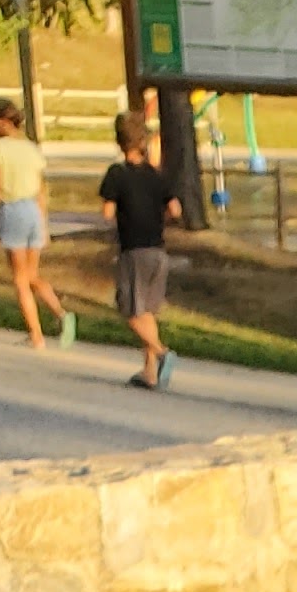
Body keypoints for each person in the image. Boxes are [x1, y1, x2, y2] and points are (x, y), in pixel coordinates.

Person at [99, 111, 182, 389]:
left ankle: (161, 352)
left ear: (118, 141)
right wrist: (155, 216)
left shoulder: (117, 174)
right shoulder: (156, 176)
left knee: (130, 312)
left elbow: (107, 212)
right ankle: (149, 372)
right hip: (158, 250)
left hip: (133, 250)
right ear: (143, 141)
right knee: (148, 311)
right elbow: (175, 209)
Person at [0, 95, 72, 350]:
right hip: (33, 211)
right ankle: (61, 313)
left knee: (20, 280)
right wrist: (44, 224)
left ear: (1, 122)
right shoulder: (31, 148)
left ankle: (36, 335)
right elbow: (41, 189)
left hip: (12, 210)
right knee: (32, 274)